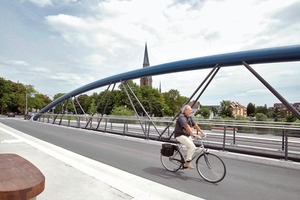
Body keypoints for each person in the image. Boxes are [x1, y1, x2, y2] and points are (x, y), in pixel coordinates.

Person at [173, 105, 206, 169]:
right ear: (185, 110)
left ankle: (186, 158)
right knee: (192, 147)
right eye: (190, 110)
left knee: (193, 148)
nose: (191, 111)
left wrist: (201, 132)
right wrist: (193, 134)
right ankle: (187, 163)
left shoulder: (189, 117)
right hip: (180, 135)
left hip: (186, 136)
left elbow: (195, 125)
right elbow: (186, 126)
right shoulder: (181, 117)